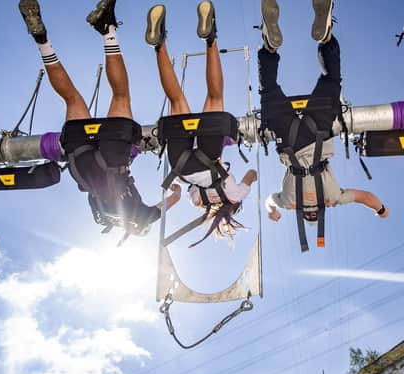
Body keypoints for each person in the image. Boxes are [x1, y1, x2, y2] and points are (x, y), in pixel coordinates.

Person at [18, 0, 180, 242]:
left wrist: (176, 188)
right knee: (72, 98)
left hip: (115, 159)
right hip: (80, 159)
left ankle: (107, 30)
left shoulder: (142, 219)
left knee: (121, 96)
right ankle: (42, 42)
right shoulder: (101, 215)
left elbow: (171, 200)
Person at [259, 0, 389, 252]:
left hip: (318, 131)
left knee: (331, 80)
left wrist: (381, 210)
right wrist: (271, 211)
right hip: (288, 139)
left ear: (321, 212)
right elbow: (268, 201)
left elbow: (366, 198)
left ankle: (326, 38)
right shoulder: (288, 203)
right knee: (269, 90)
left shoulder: (334, 198)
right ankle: (269, 47)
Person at [145, 1, 258, 246]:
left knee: (215, 98)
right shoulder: (197, 202)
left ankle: (210, 40)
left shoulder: (236, 196)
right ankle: (159, 45)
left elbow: (252, 173)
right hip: (181, 164)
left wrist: (248, 180)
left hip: (209, 159)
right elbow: (188, 187)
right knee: (177, 100)